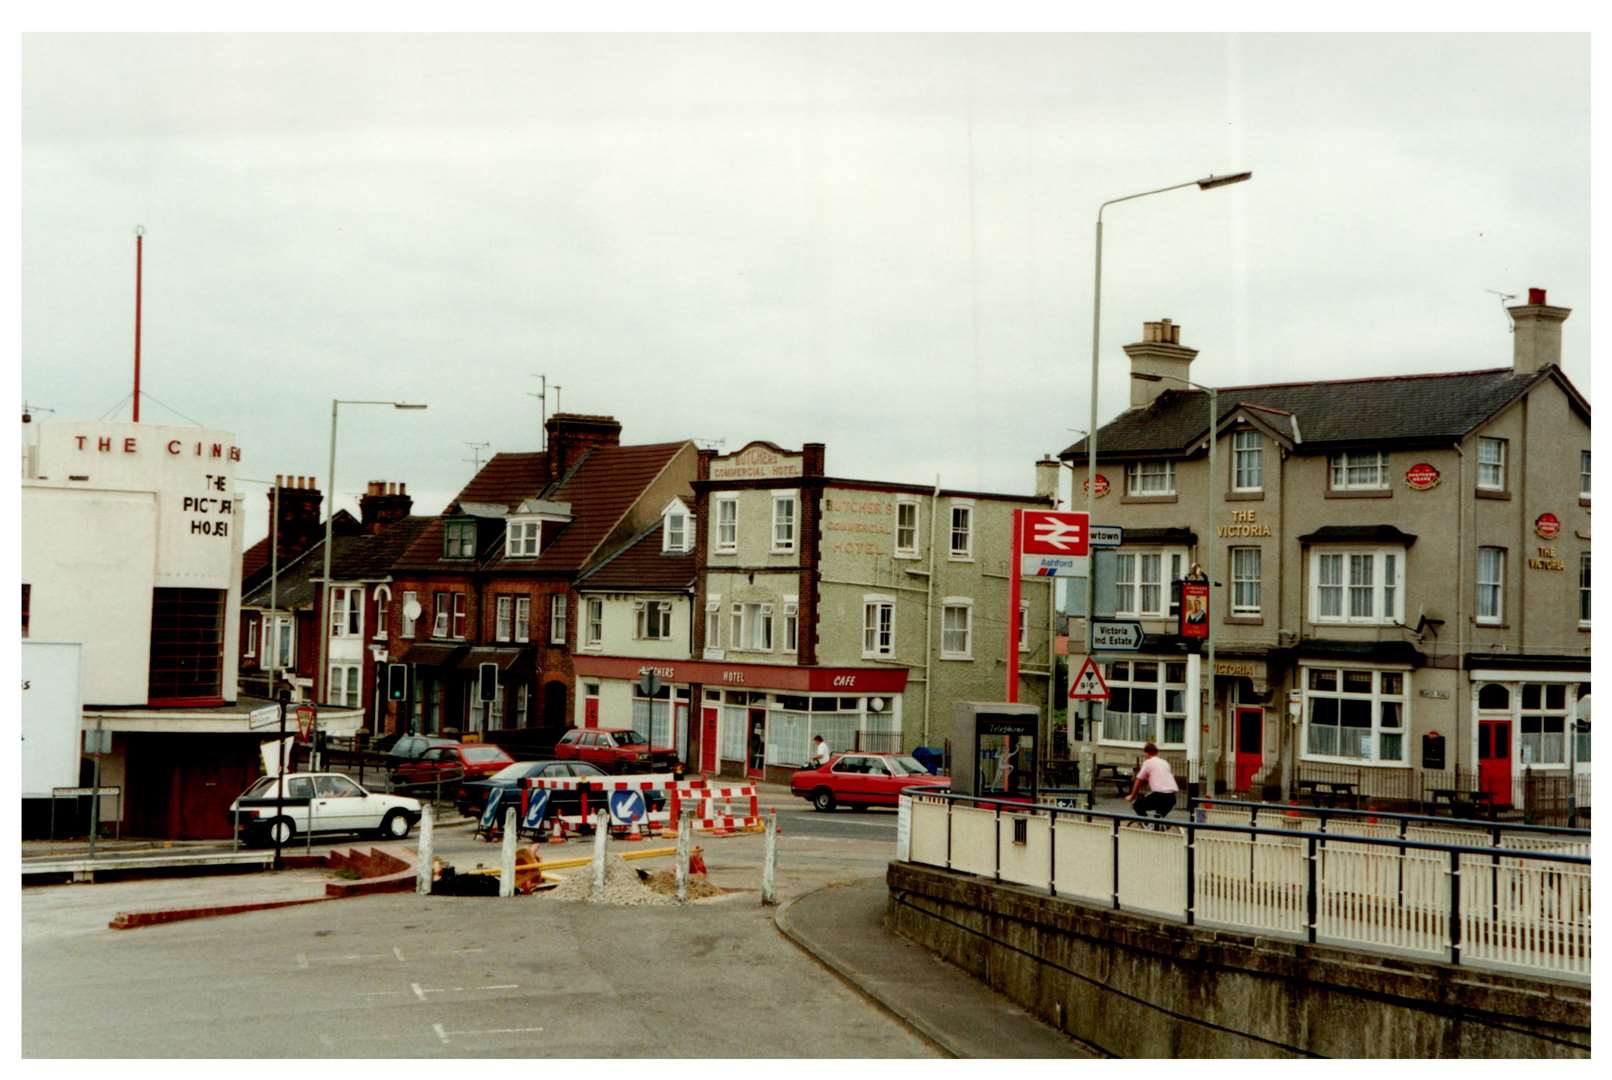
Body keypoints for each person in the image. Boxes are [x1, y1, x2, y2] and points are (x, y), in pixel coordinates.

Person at [1126, 742, 1178, 826]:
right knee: (1158, 818)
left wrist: (1132, 796)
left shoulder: (1148, 763)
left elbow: (1138, 780)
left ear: (1146, 753)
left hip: (1159, 796)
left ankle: (1147, 826)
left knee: (1137, 805)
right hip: (1172, 798)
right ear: (1157, 752)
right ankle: (1158, 829)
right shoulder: (1165, 763)